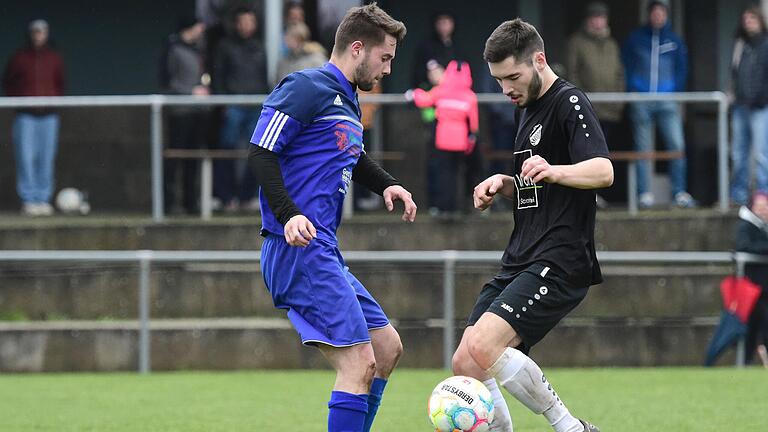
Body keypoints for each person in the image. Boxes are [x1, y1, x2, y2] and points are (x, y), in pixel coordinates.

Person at [247, 4, 416, 432]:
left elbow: (351, 156)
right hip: (297, 246)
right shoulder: (306, 86)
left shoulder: (348, 99)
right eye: (385, 57)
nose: (388, 69)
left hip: (323, 247)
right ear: (357, 48)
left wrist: (387, 184)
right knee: (359, 363)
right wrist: (288, 215)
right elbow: (260, 151)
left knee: (386, 347)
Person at [451, 19, 612, 432]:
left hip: (560, 256)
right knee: (466, 361)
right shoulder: (526, 108)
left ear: (539, 60)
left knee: (485, 345)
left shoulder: (568, 101)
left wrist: (555, 170)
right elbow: (534, 186)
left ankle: (571, 428)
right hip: (522, 253)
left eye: (512, 76)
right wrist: (503, 185)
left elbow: (603, 171)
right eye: (499, 80)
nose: (506, 88)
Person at [622, 0, 695, 209]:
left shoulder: (674, 40)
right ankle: (644, 193)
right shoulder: (635, 38)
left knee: (676, 146)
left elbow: (682, 69)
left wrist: (675, 90)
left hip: (667, 100)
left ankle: (679, 192)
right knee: (642, 148)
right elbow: (625, 65)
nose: (658, 16)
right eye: (654, 12)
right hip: (641, 100)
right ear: (649, 15)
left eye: (661, 13)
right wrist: (632, 90)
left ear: (666, 15)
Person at [3, 19, 64, 216]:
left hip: (49, 116)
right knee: (26, 158)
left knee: (46, 158)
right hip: (25, 116)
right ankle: (29, 200)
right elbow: (8, 82)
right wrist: (19, 102)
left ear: (46, 34)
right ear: (30, 34)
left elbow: (60, 83)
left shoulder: (54, 58)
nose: (38, 36)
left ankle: (43, 199)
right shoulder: (20, 58)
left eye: (42, 32)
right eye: (35, 32)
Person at [212, 7, 268, 212]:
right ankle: (226, 196)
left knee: (257, 151)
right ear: (237, 24)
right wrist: (224, 104)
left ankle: (247, 196)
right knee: (226, 150)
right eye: (243, 22)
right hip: (233, 105)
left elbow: (263, 78)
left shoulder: (259, 47)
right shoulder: (225, 46)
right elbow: (219, 77)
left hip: (255, 106)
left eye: (250, 21)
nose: (247, 26)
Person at [408, 60, 479, 215]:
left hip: (443, 138)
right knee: (457, 174)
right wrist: (471, 140)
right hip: (461, 141)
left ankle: (444, 208)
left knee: (443, 174)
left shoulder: (441, 90)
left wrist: (413, 93)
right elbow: (473, 124)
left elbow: (424, 99)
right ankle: (456, 208)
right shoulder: (470, 96)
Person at [160, 17, 209, 215]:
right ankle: (169, 203)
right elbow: (167, 82)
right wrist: (191, 92)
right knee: (174, 159)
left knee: (193, 158)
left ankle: (191, 203)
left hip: (197, 112)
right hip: (180, 112)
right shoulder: (172, 49)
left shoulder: (198, 50)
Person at [729, 7, 768, 206]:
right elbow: (734, 74)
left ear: (760, 20)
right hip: (741, 106)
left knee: (761, 154)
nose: (748, 22)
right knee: (738, 153)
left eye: (752, 18)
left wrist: (762, 98)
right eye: (745, 19)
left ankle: (763, 195)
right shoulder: (740, 44)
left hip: (761, 106)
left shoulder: (766, 44)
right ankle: (739, 194)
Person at [736, 193, 768, 365]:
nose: (763, 210)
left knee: (758, 326)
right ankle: (746, 360)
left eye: (765, 206)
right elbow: (743, 246)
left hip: (763, 288)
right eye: (760, 206)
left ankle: (747, 361)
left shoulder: (764, 227)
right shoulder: (746, 226)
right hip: (753, 288)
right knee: (754, 326)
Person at [412, 11, 463, 90]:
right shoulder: (426, 46)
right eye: (440, 23)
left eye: (446, 23)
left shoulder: (458, 48)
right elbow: (418, 74)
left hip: (453, 92)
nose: (443, 27)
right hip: (431, 92)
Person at [274, 22, 328, 87]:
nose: (285, 39)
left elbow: (324, 84)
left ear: (299, 39)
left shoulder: (316, 59)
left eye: (289, 36)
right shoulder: (283, 62)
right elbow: (277, 85)